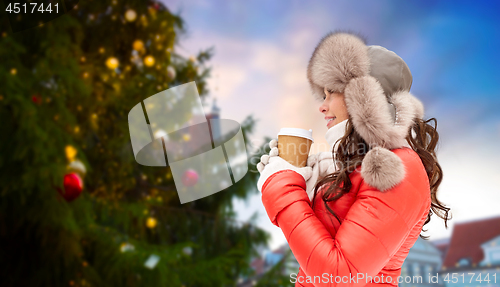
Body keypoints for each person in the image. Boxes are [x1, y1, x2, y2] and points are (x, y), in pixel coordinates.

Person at [256, 31, 451, 286]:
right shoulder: (352, 168)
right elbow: (316, 256)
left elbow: (339, 276)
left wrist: (280, 185)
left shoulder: (398, 168)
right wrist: (307, 184)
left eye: (331, 94)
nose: (322, 107)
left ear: (364, 98)